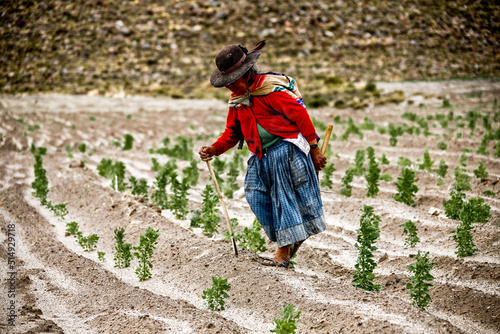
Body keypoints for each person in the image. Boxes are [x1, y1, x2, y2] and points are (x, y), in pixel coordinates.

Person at [199, 41, 327, 268]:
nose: (230, 88)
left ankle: (283, 253)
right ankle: (289, 237)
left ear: (246, 74)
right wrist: (214, 148)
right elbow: (232, 133)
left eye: (232, 81)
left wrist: (314, 149)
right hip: (260, 155)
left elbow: (301, 117)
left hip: (285, 150)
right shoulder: (237, 101)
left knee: (282, 197)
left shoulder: (270, 91)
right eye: (226, 83)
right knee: (254, 192)